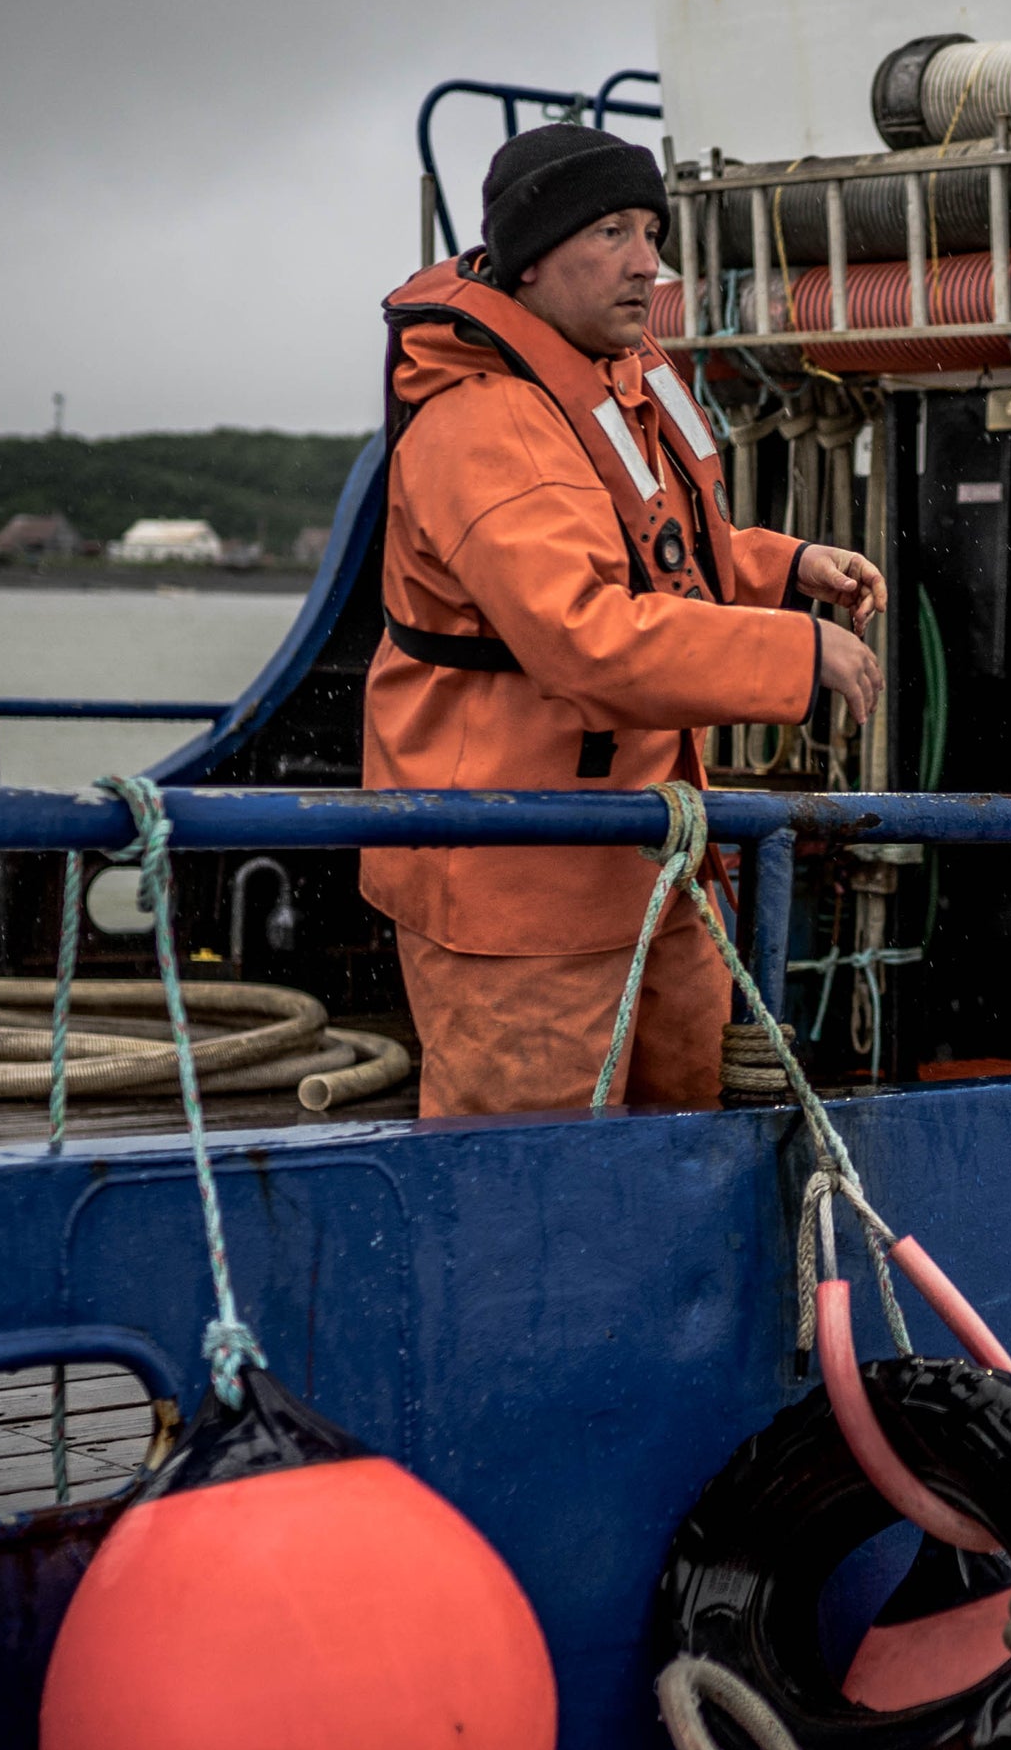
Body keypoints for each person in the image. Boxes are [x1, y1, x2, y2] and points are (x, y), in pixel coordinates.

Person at [360, 122, 885, 1115]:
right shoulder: (484, 424)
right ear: (530, 259)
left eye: (651, 229)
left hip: (646, 857)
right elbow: (584, 636)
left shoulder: (611, 381)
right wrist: (798, 650)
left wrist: (783, 568)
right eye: (610, 231)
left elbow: (658, 551)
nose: (648, 263)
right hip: (518, 894)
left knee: (676, 1148)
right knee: (532, 1202)